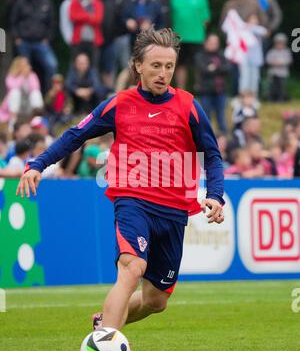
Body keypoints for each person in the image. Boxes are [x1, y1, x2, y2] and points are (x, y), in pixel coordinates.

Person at [16, 27, 224, 332]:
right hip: (133, 201)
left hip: (174, 211)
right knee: (131, 268)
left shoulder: (189, 106)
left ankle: (104, 322)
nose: (163, 73)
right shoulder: (120, 103)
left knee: (156, 300)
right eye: (156, 65)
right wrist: (38, 164)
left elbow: (213, 155)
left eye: (169, 66)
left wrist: (216, 195)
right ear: (138, 65)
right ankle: (104, 345)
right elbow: (77, 135)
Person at [10, 0, 58, 92]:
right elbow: (13, 21)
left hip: (41, 42)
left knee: (52, 65)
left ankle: (49, 97)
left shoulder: (46, 2)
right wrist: (17, 37)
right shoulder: (20, 2)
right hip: (24, 42)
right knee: (23, 70)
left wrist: (48, 38)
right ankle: (23, 97)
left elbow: (52, 23)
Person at [170, 0, 211, 90]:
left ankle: (200, 88)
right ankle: (180, 90)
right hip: (179, 38)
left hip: (197, 38)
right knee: (180, 65)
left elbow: (206, 19)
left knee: (199, 65)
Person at [196, 34, 230, 134]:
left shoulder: (221, 55)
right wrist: (218, 69)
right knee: (206, 118)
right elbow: (203, 70)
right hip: (205, 92)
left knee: (221, 118)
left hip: (221, 92)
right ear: (205, 43)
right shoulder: (200, 56)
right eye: (211, 42)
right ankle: (207, 138)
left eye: (215, 43)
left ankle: (224, 138)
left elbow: (228, 69)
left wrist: (214, 68)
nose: (213, 45)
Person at [69, 0, 104, 66]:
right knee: (75, 66)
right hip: (78, 41)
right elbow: (72, 17)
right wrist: (89, 16)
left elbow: (98, 19)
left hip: (93, 41)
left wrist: (81, 16)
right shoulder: (75, 2)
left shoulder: (97, 3)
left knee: (94, 66)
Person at [0, 57, 43, 125]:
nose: (25, 67)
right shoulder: (11, 76)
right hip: (14, 107)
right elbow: (13, 87)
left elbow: (36, 88)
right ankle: (12, 123)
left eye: (26, 65)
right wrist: (22, 76)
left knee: (36, 93)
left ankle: (38, 120)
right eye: (22, 66)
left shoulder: (32, 75)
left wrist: (28, 77)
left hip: (29, 105)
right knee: (15, 92)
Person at [266, 33, 293, 102]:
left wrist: (281, 62)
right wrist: (273, 62)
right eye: (278, 43)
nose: (280, 45)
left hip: (282, 74)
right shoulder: (272, 51)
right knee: (273, 87)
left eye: (281, 43)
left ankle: (280, 99)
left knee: (281, 87)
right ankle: (272, 99)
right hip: (274, 73)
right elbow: (268, 60)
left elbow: (289, 60)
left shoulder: (286, 51)